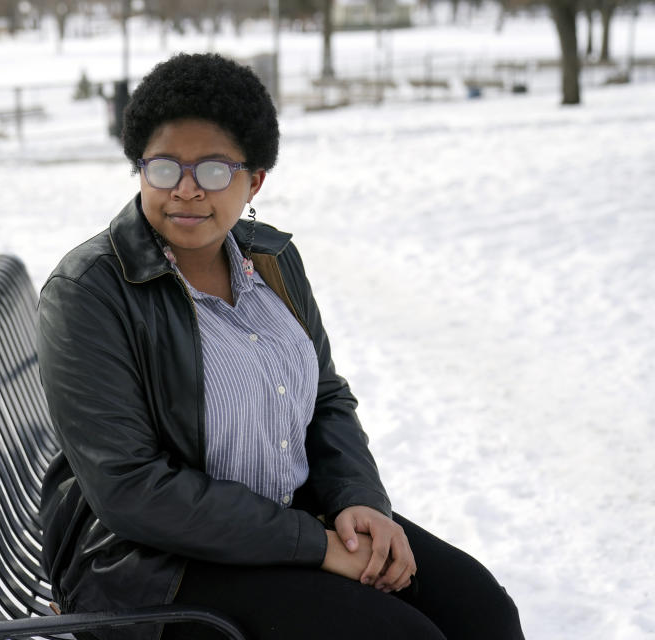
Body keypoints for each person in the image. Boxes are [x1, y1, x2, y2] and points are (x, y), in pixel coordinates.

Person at [36, 53, 525, 640]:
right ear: (139, 169)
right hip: (146, 564)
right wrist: (313, 544)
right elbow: (130, 490)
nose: (186, 191)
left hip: (283, 513)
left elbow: (325, 396)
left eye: (215, 171)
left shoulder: (271, 260)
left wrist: (357, 499)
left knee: (481, 611)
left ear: (254, 180)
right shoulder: (89, 291)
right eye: (165, 168)